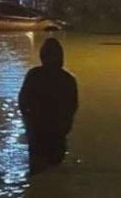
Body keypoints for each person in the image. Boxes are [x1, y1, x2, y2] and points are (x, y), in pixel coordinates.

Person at [19, 38, 78, 174]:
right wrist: (66, 126)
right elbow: (72, 106)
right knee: (54, 167)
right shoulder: (67, 79)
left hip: (39, 129)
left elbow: (23, 101)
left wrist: (28, 120)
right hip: (54, 129)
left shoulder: (34, 75)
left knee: (39, 167)